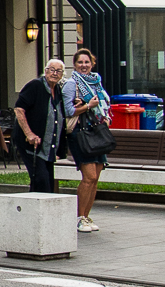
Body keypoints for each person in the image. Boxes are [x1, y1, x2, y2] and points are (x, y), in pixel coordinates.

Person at [64, 47, 112, 233]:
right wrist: (87, 106)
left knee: (96, 177)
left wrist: (105, 116)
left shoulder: (96, 83)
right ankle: (79, 217)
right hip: (81, 133)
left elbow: (105, 105)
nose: (84, 66)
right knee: (89, 176)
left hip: (97, 132)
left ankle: (87, 215)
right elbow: (68, 111)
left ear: (92, 63)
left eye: (86, 62)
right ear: (75, 65)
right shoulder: (71, 84)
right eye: (80, 63)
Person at [14, 59, 68, 197]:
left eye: (58, 71)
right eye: (52, 69)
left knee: (46, 179)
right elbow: (19, 109)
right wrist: (29, 133)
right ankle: (42, 213)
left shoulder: (58, 90)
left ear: (62, 74)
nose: (54, 73)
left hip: (47, 146)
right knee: (41, 179)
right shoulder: (35, 86)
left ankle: (33, 212)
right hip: (32, 144)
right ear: (45, 71)